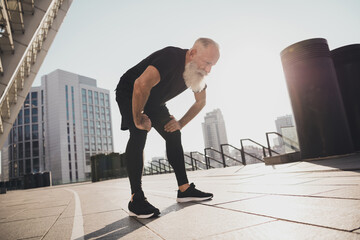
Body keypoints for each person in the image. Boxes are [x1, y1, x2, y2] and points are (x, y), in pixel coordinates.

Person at [115, 38, 220, 218]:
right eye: (207, 62)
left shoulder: (198, 73)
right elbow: (141, 85)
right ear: (193, 53)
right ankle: (136, 199)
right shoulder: (171, 57)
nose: (209, 69)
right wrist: (138, 118)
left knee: (173, 133)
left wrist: (180, 123)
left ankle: (184, 189)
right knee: (139, 131)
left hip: (155, 101)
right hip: (131, 90)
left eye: (213, 65)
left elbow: (201, 101)